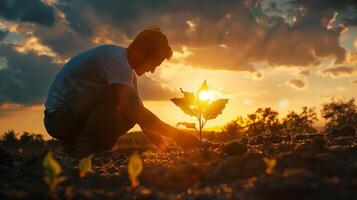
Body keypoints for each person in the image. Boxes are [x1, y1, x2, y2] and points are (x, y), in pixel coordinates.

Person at [44, 27, 210, 153]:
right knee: (119, 99)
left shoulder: (127, 73)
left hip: (76, 117)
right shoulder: (114, 59)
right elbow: (136, 111)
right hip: (57, 119)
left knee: (132, 109)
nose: (152, 70)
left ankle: (84, 146)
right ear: (141, 52)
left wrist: (164, 148)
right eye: (154, 63)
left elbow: (140, 114)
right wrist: (180, 136)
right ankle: (82, 149)